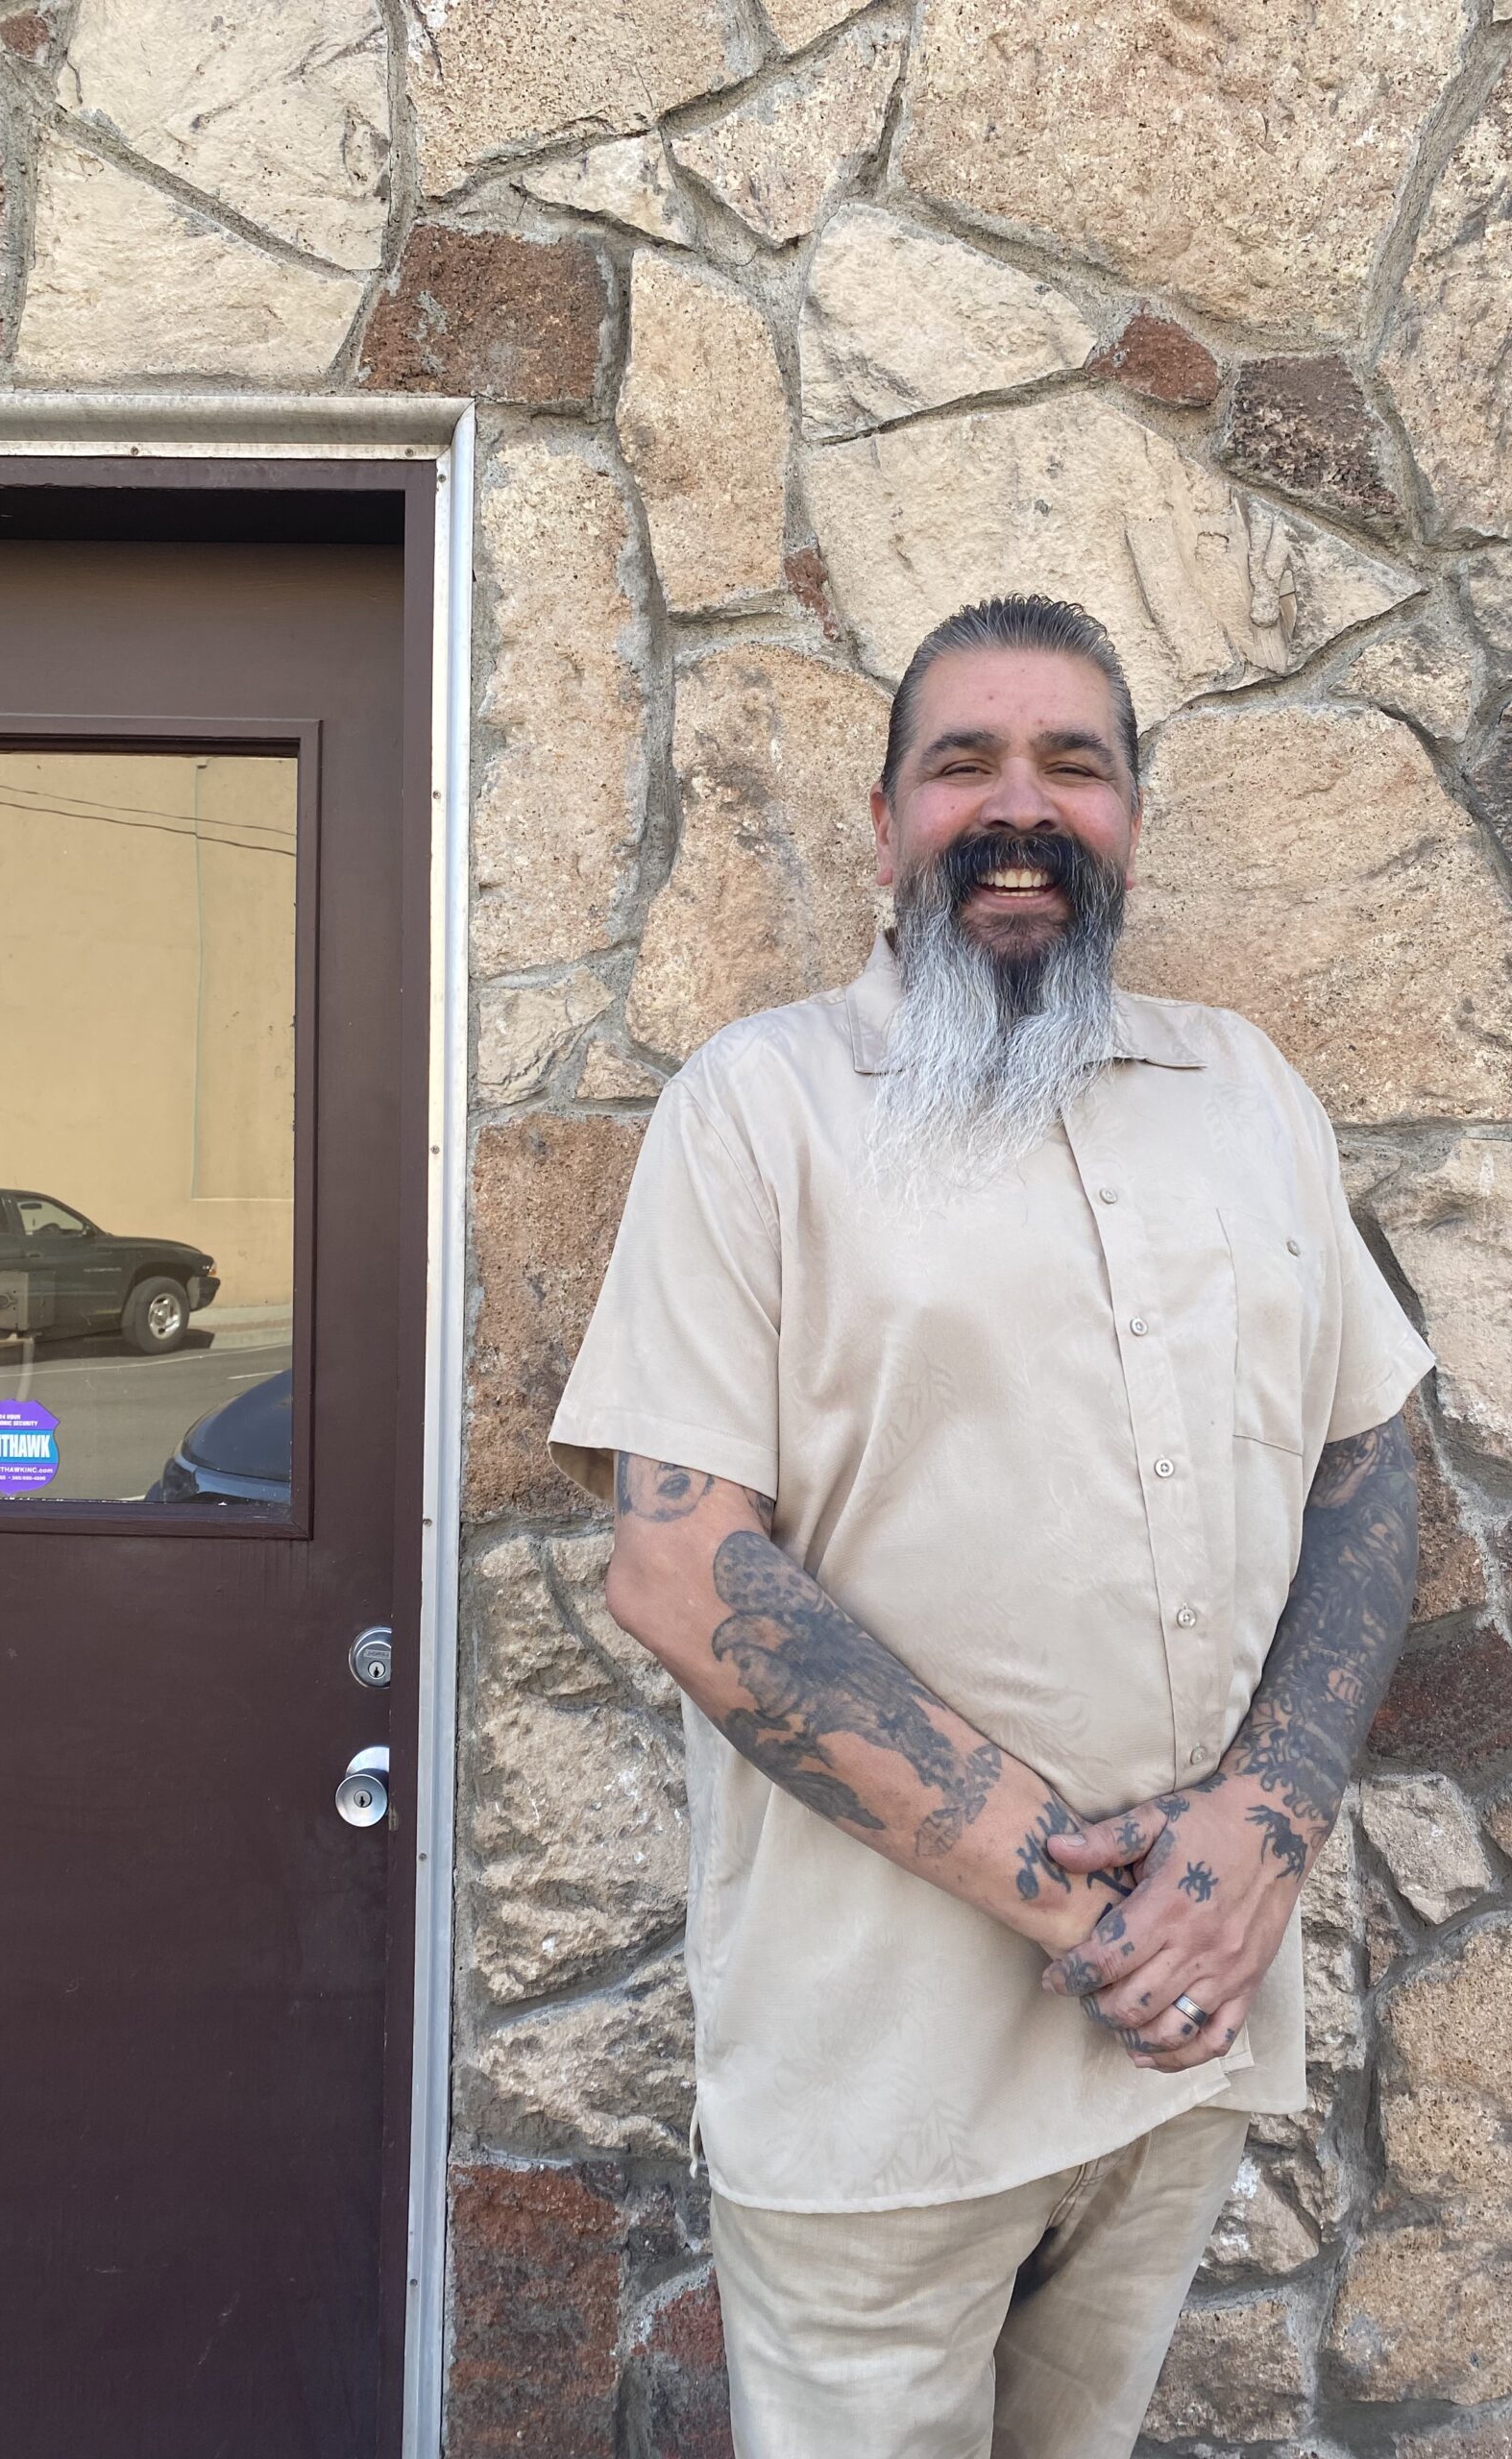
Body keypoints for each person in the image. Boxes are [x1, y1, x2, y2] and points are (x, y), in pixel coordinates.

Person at [548, 595, 1430, 2459]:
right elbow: (681, 1564)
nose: (1016, 808)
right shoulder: (757, 1113)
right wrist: (1101, 1899)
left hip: (1175, 2063)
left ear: (1129, 816)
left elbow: (1373, 1461)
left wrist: (1265, 1823)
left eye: (1071, 765)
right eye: (964, 764)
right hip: (887, 2090)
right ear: (886, 825)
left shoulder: (1252, 1095)